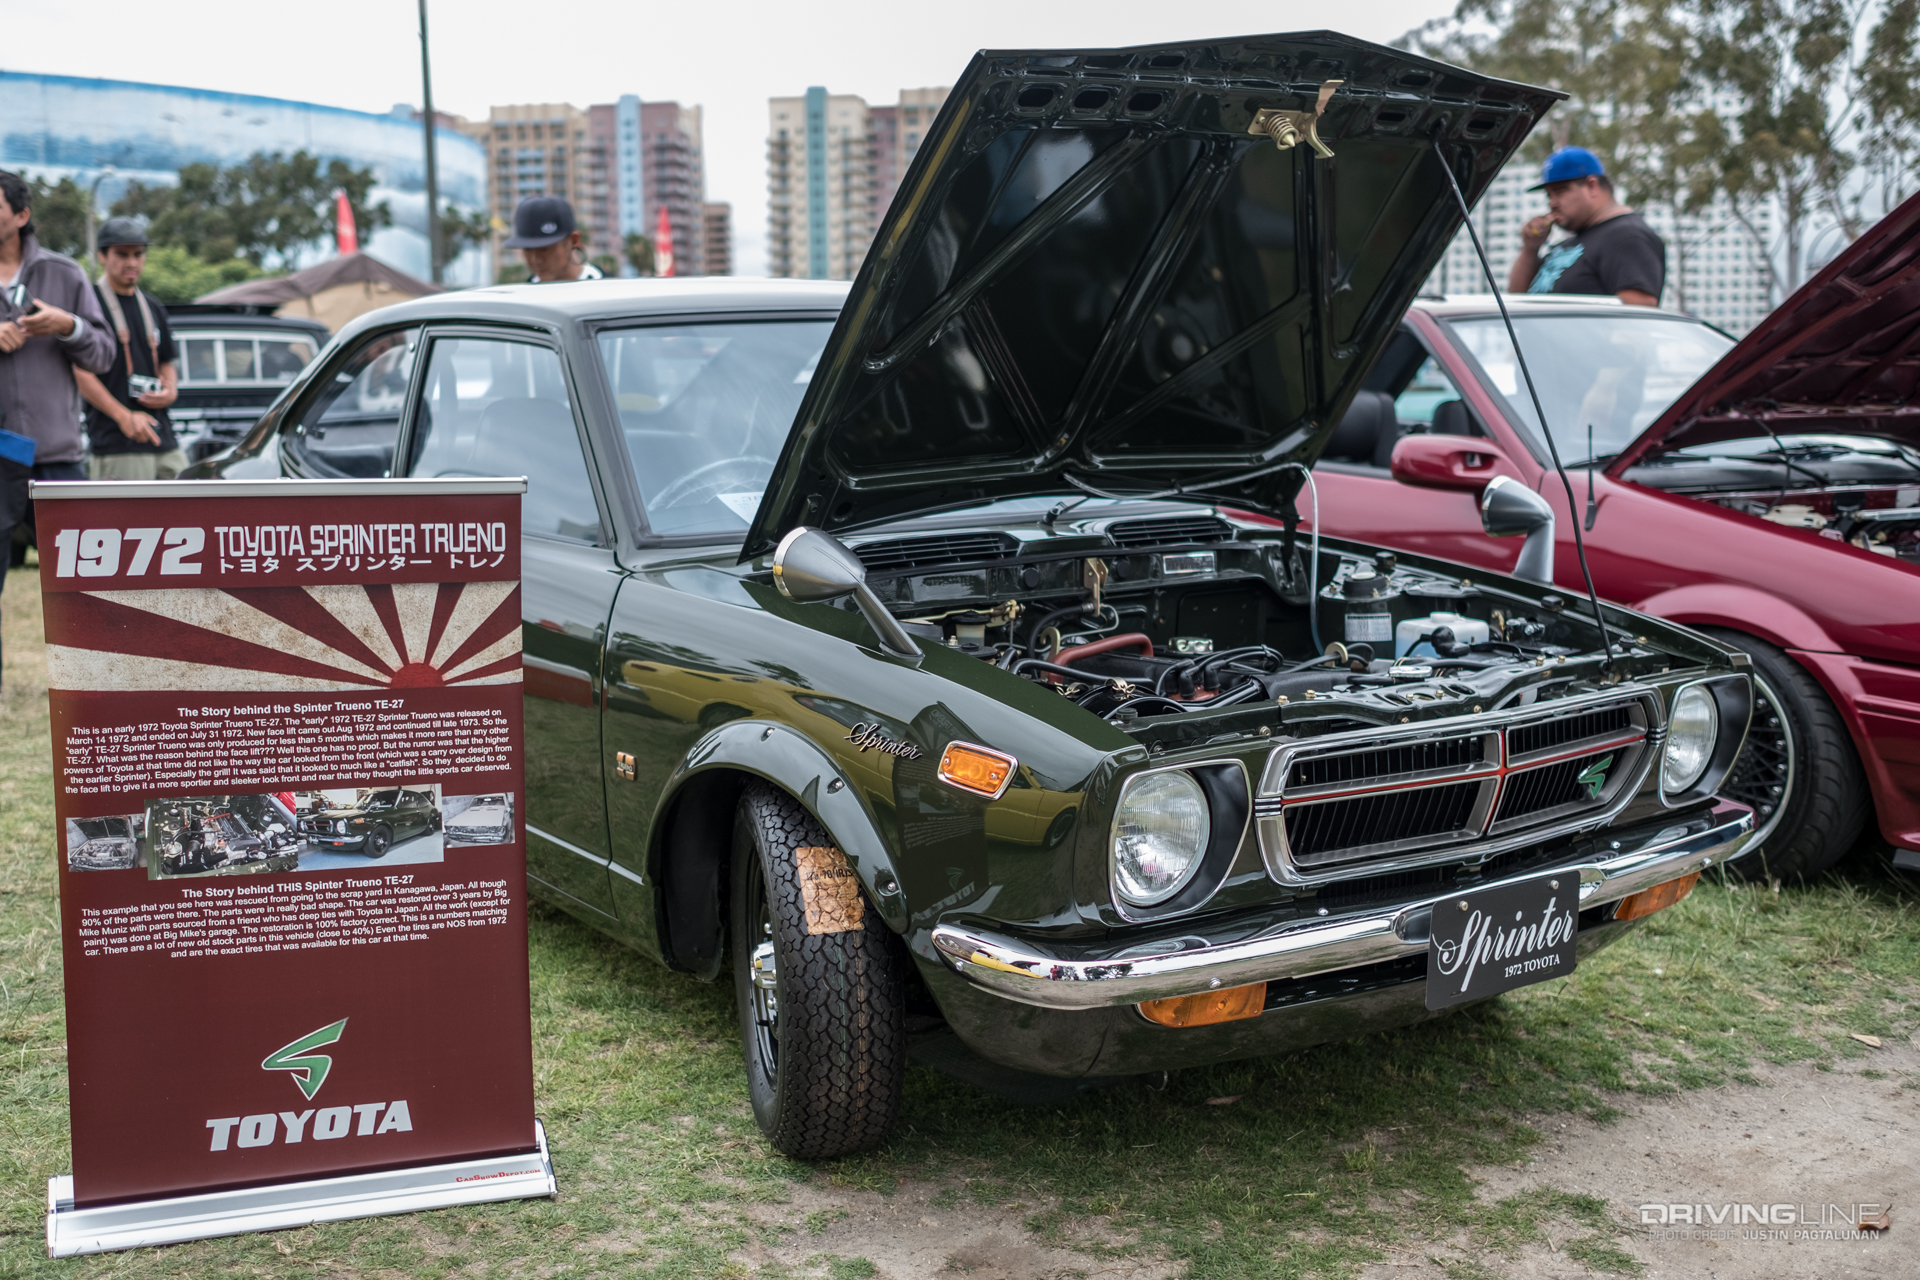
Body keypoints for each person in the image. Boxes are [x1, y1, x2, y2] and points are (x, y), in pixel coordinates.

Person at [0, 169, 115, 600]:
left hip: (56, 458)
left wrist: (68, 326)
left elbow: (103, 355)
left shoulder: (65, 274)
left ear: (21, 214)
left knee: (86, 597)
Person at [77, 217, 185, 480]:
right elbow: (80, 373)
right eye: (122, 254)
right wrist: (123, 416)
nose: (132, 262)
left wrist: (170, 392)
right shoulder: (88, 303)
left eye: (138, 254)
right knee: (128, 519)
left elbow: (167, 361)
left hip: (163, 437)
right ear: (102, 256)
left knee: (190, 509)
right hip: (117, 441)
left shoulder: (153, 306)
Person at [1508, 147, 1666, 306]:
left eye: (1560, 192)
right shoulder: (1574, 241)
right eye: (1549, 195)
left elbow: (1637, 312)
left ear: (1592, 186)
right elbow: (1517, 302)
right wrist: (1530, 249)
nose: (1552, 203)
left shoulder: (1626, 236)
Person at [503, 196, 602, 283]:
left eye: (544, 249)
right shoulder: (522, 298)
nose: (535, 260)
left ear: (574, 240)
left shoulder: (608, 292)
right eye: (527, 249)